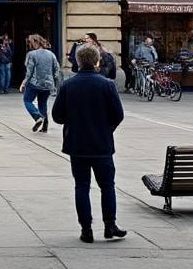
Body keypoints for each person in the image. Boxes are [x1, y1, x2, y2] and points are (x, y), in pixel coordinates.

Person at [52, 42, 126, 243]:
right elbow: (118, 115)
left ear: (77, 61)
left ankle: (86, 229)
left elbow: (57, 116)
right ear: (97, 61)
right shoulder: (107, 85)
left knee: (81, 186)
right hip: (102, 144)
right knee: (107, 185)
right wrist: (107, 128)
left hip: (77, 144)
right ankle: (110, 225)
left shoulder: (67, 85)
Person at [22, 34, 62, 133]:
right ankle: (44, 126)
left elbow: (29, 71)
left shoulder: (32, 54)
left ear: (35, 42)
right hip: (48, 83)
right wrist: (55, 84)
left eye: (30, 43)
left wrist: (24, 83)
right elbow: (57, 70)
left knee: (27, 100)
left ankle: (37, 116)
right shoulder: (51, 54)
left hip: (35, 82)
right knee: (42, 103)